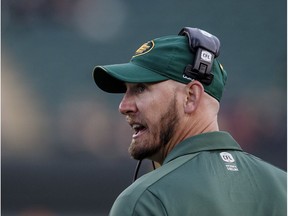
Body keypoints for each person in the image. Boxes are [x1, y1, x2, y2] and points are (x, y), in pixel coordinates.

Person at [92, 27, 287, 216]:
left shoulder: (146, 200)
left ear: (191, 97)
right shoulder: (282, 186)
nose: (123, 106)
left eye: (141, 88)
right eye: (126, 91)